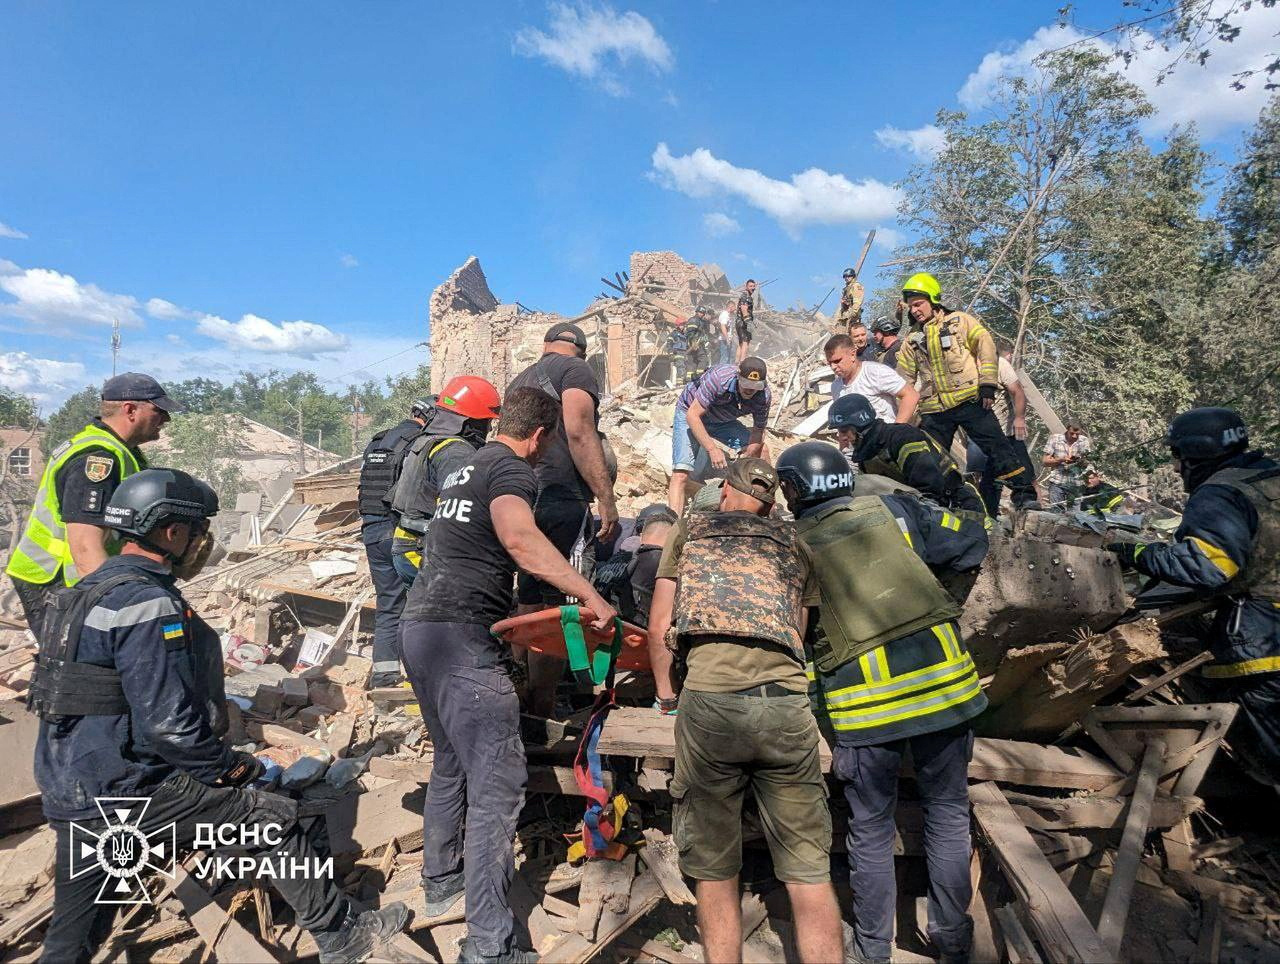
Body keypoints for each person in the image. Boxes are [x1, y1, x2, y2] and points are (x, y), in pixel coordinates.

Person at [29, 469, 408, 963]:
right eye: (198, 529)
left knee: (78, 926)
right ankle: (344, 937)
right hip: (130, 789)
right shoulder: (149, 604)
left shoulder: (82, 592)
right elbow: (170, 727)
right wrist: (237, 769)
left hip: (72, 789)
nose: (202, 541)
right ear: (171, 532)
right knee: (270, 819)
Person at [398, 388, 617, 962]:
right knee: (498, 785)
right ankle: (491, 945)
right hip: (462, 638)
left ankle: (441, 878)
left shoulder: (462, 465)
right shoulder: (510, 470)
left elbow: (475, 551)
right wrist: (589, 594)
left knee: (451, 760)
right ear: (541, 436)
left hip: (418, 628)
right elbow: (520, 539)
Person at [776, 441, 989, 964]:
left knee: (870, 830)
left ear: (791, 491)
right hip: (947, 692)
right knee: (947, 813)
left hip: (866, 712)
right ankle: (952, 940)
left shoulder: (789, 544)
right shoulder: (896, 508)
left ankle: (873, 950)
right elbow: (971, 542)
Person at [646, 458, 845, 963]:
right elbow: (797, 632)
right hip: (786, 708)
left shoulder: (690, 531)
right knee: (808, 869)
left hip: (712, 706)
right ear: (771, 504)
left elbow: (660, 624)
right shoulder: (795, 543)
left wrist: (667, 695)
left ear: (728, 494)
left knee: (714, 867)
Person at [1107, 408, 1280, 781]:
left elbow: (1207, 568)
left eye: (1178, 457)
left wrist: (1134, 552)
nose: (1175, 468)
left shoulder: (1222, 493)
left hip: (1266, 643)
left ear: (1196, 454)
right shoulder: (1269, 476)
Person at [6, 373, 181, 633]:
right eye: (159, 410)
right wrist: (115, 607)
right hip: (57, 580)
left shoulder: (121, 451)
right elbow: (86, 547)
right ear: (130, 409)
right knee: (75, 665)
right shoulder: (97, 459)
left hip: (79, 579)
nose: (166, 419)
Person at [507, 323, 619, 717]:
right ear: (582, 351)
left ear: (545, 345)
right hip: (562, 497)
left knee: (528, 597)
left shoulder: (520, 378)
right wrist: (605, 497)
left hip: (522, 496)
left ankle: (518, 689)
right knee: (564, 602)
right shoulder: (576, 371)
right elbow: (579, 431)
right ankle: (541, 709)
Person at [895, 273, 1039, 509]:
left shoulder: (959, 322)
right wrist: (902, 418)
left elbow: (986, 345)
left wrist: (987, 385)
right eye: (911, 307)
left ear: (933, 299)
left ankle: (1024, 496)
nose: (915, 311)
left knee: (999, 450)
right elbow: (904, 380)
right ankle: (935, 502)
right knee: (932, 459)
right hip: (934, 410)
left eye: (919, 304)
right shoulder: (911, 340)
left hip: (970, 401)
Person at [386, 378, 502, 591]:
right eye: (486, 422)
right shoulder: (455, 451)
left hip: (408, 545)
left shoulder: (428, 441)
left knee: (420, 619)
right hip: (423, 550)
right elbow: (455, 512)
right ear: (470, 422)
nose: (488, 428)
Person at [357, 398, 434, 687]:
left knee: (389, 605)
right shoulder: (419, 442)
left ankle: (385, 677)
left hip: (371, 531)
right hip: (401, 534)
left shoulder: (376, 442)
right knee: (421, 607)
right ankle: (423, 679)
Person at [827, 393, 985, 516]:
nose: (841, 437)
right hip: (922, 508)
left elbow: (930, 489)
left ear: (859, 425)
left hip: (959, 506)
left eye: (843, 430)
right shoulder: (868, 451)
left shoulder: (902, 438)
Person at [667, 357, 772, 514]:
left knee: (761, 452)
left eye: (755, 386)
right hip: (691, 413)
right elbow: (693, 415)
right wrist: (712, 449)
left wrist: (748, 460)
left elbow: (758, 431)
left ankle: (765, 508)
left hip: (723, 421)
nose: (750, 390)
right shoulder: (719, 379)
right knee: (681, 473)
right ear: (738, 376)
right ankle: (672, 524)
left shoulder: (763, 396)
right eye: (746, 384)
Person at [590, 503, 678, 627]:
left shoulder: (618, 556)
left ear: (640, 535)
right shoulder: (660, 562)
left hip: (596, 623)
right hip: (630, 634)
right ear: (674, 538)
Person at [977, 346, 1038, 516]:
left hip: (1007, 430)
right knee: (990, 476)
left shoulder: (1000, 364)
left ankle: (1026, 501)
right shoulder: (964, 367)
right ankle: (987, 515)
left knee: (1022, 466)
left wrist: (1019, 418)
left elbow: (1017, 392)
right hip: (985, 431)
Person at [825, 334, 918, 425]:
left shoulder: (875, 372)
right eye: (830, 363)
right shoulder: (836, 387)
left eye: (837, 361)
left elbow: (911, 395)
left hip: (884, 438)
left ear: (852, 354)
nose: (833, 367)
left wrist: (897, 429)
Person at [1043, 422, 1093, 507]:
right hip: (1057, 482)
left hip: (1076, 484)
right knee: (1056, 513)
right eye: (1072, 433)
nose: (1074, 436)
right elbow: (1045, 462)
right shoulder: (1055, 439)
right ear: (1067, 430)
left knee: (1075, 515)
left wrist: (1080, 461)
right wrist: (1060, 460)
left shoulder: (1084, 441)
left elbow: (1087, 462)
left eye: (1077, 434)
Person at [833, 267, 864, 333]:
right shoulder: (846, 288)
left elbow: (857, 302)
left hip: (852, 317)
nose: (846, 278)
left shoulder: (856, 286)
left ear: (853, 276)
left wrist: (852, 313)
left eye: (849, 276)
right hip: (845, 315)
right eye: (845, 276)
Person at [734, 280, 757, 364]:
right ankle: (742, 362)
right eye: (751, 286)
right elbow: (744, 309)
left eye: (754, 286)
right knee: (745, 342)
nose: (753, 288)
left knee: (741, 343)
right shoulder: (746, 296)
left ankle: (736, 363)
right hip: (743, 322)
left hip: (740, 322)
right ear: (746, 287)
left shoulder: (746, 296)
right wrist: (748, 322)